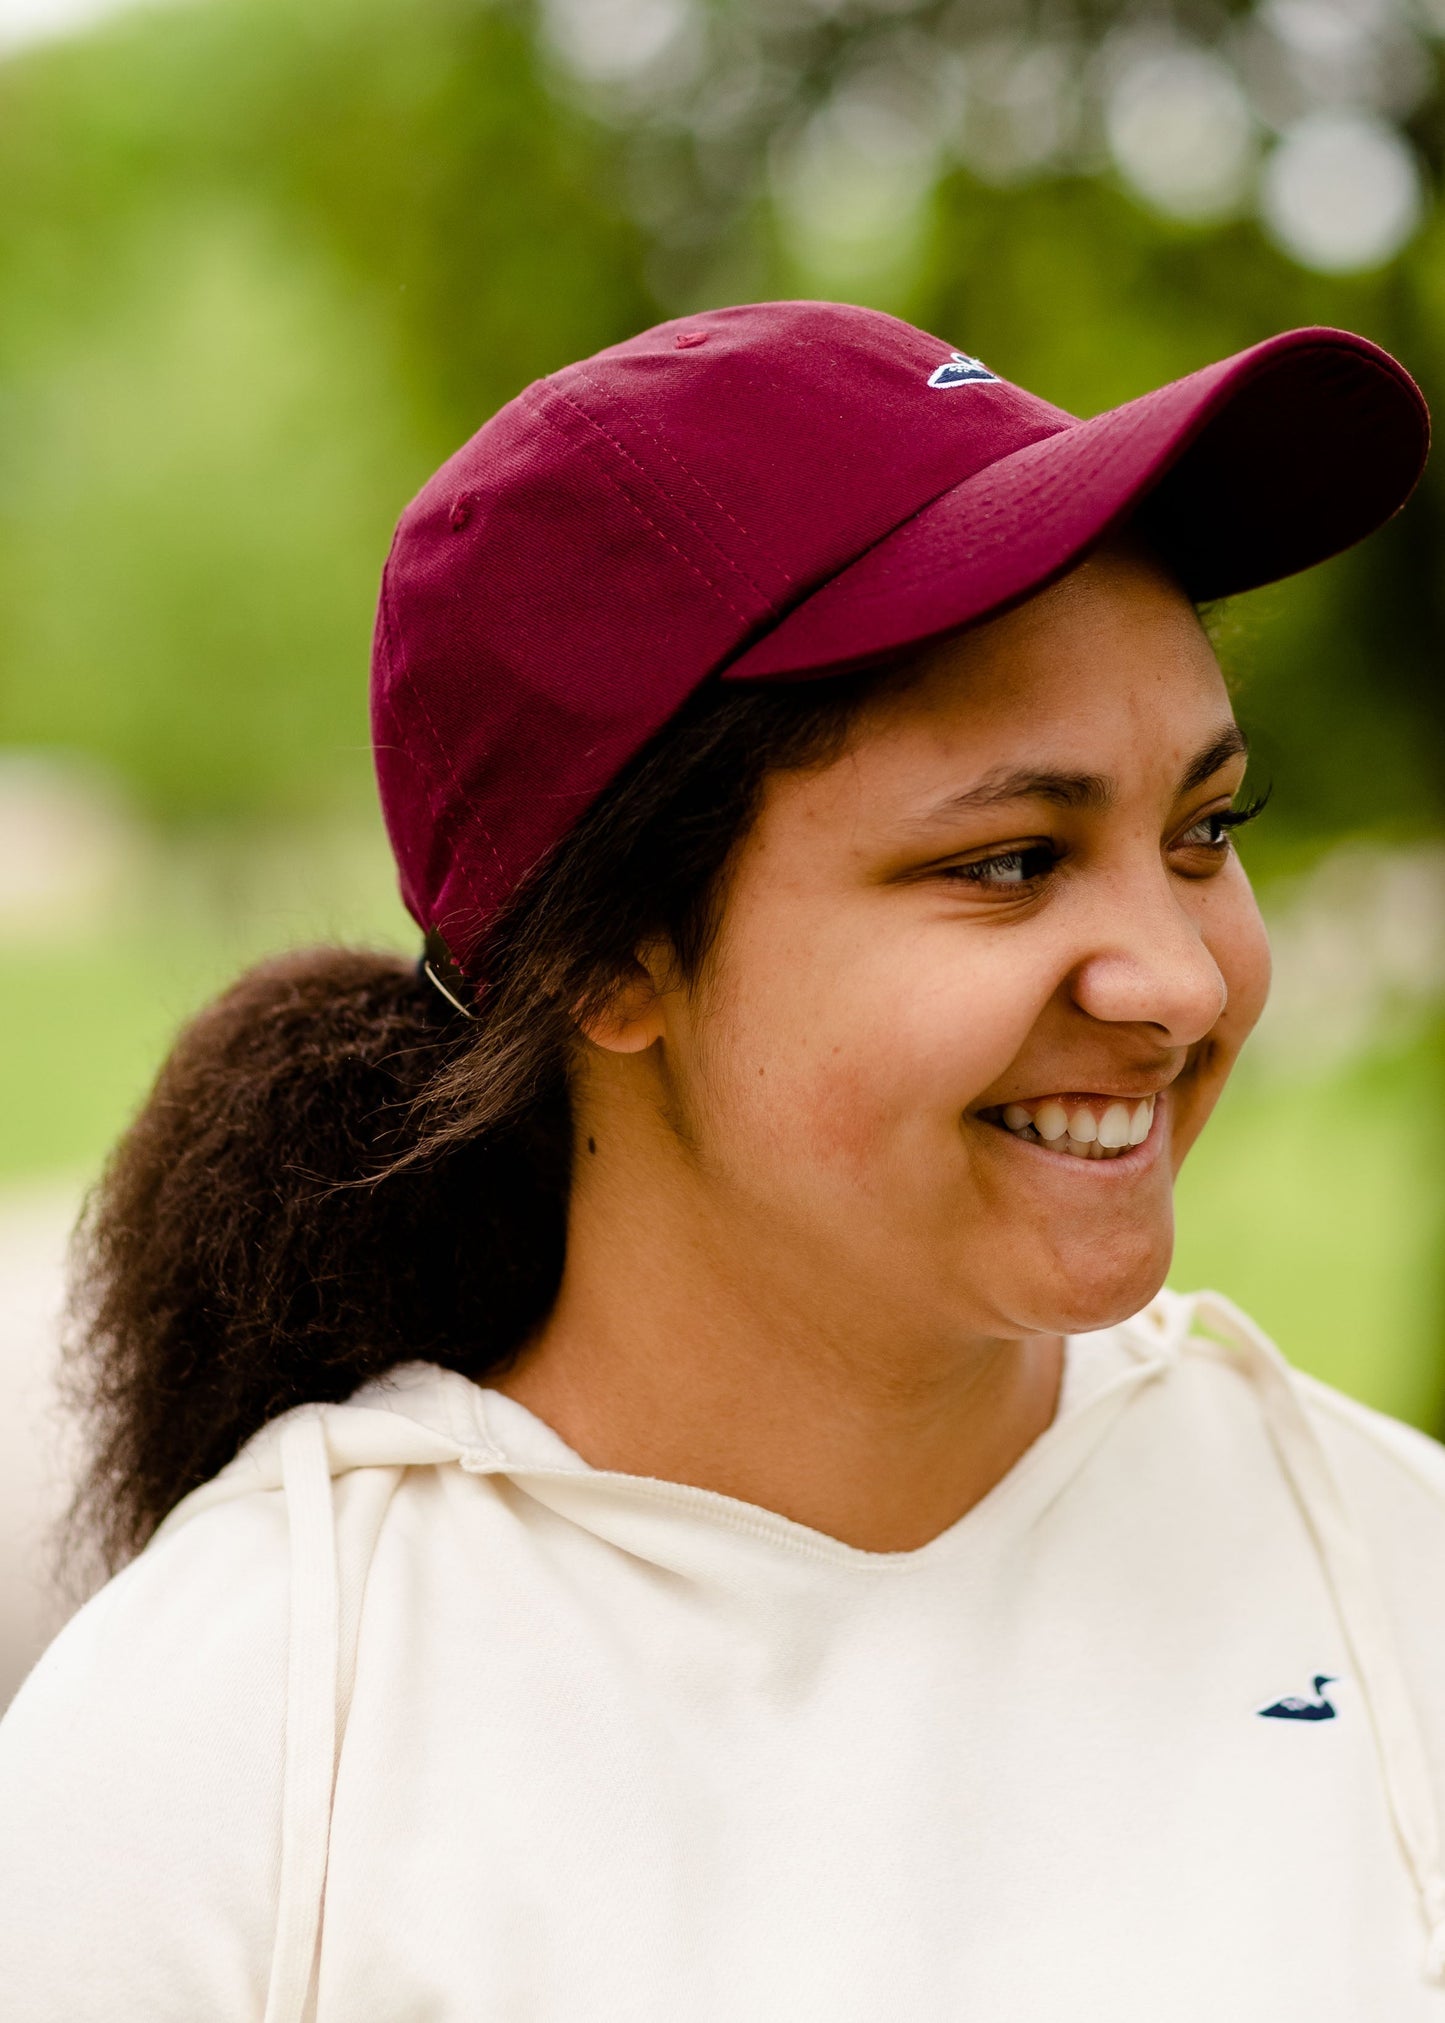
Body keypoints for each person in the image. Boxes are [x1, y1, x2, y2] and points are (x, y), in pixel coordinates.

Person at [0, 301, 1441, 2021]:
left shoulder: (1388, 1573)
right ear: (608, 959)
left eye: (1202, 831)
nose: (1182, 980)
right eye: (1005, 860)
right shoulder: (230, 1766)